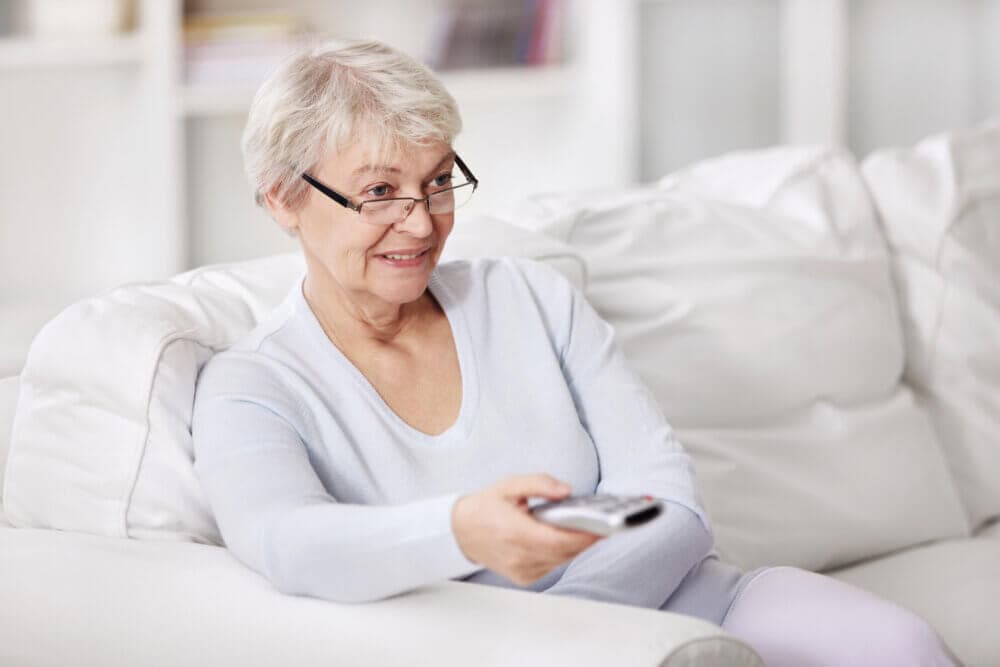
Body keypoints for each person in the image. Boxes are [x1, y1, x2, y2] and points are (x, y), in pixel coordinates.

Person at [191, 39, 958, 666]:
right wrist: (461, 530)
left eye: (436, 183)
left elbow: (670, 499)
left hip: (685, 603)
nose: (422, 224)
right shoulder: (252, 386)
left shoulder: (526, 297)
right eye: (381, 191)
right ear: (283, 199)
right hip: (482, 650)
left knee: (905, 645)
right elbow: (290, 543)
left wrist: (566, 628)